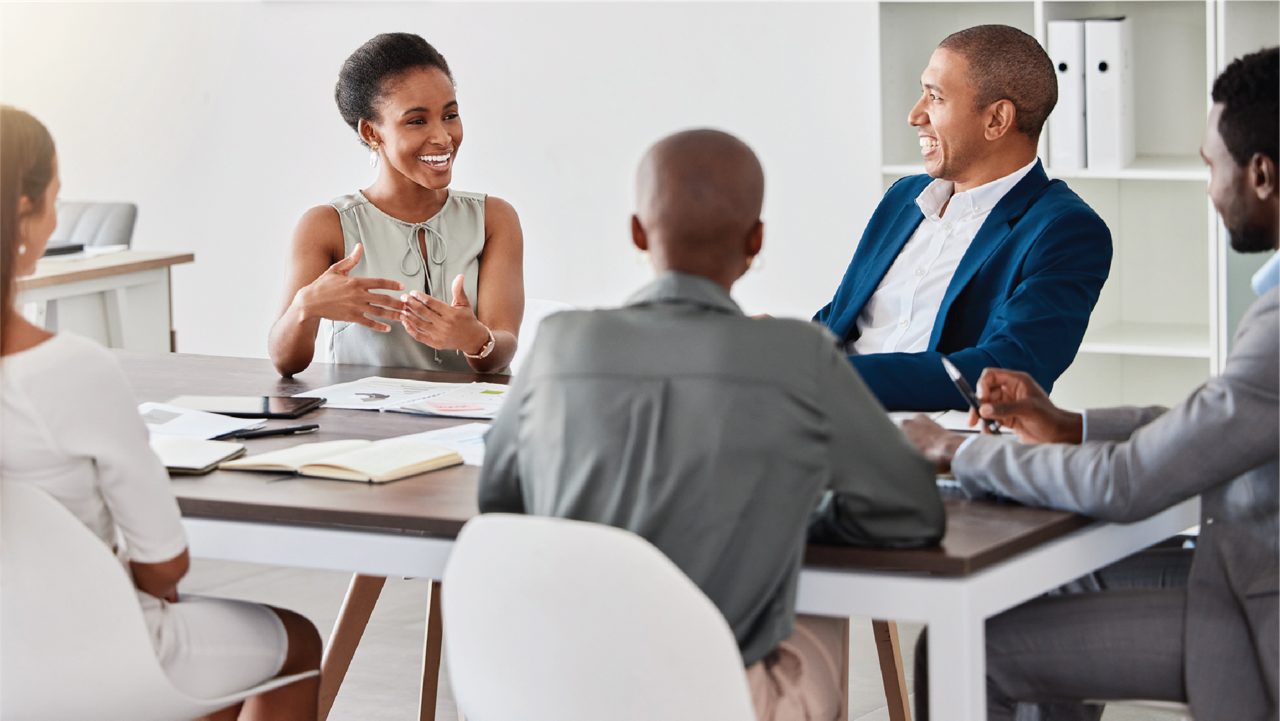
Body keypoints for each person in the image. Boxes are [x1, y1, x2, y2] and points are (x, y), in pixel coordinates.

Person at [479, 128, 945, 720]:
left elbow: (499, 503)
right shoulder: (798, 353)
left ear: (637, 233)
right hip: (713, 701)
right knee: (814, 608)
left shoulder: (556, 343)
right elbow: (911, 510)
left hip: (551, 694)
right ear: (756, 241)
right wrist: (785, 512)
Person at [901, 47, 1279, 721]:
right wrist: (1068, 425)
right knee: (1047, 579)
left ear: (1261, 175)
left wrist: (958, 451)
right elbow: (1221, 421)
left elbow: (1127, 483)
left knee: (965, 646)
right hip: (1244, 559)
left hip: (1254, 598)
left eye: (1209, 166)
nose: (1207, 189)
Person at [0, 106, 322, 719]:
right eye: (55, 201)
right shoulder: (68, 369)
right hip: (88, 658)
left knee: (206, 673)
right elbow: (163, 564)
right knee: (293, 640)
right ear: (24, 209)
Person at [814, 25, 1111, 411]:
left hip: (929, 442)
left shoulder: (1065, 231)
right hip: (822, 420)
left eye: (935, 98)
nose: (914, 115)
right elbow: (842, 319)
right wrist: (782, 349)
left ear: (996, 120)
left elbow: (1007, 368)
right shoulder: (903, 197)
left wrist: (827, 377)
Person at [269, 32, 524, 377]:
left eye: (450, 115)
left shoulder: (494, 218)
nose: (443, 137)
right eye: (417, 121)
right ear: (372, 133)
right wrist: (306, 306)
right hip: (367, 423)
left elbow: (500, 352)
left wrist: (475, 339)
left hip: (466, 421)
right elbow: (286, 363)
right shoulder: (326, 225)